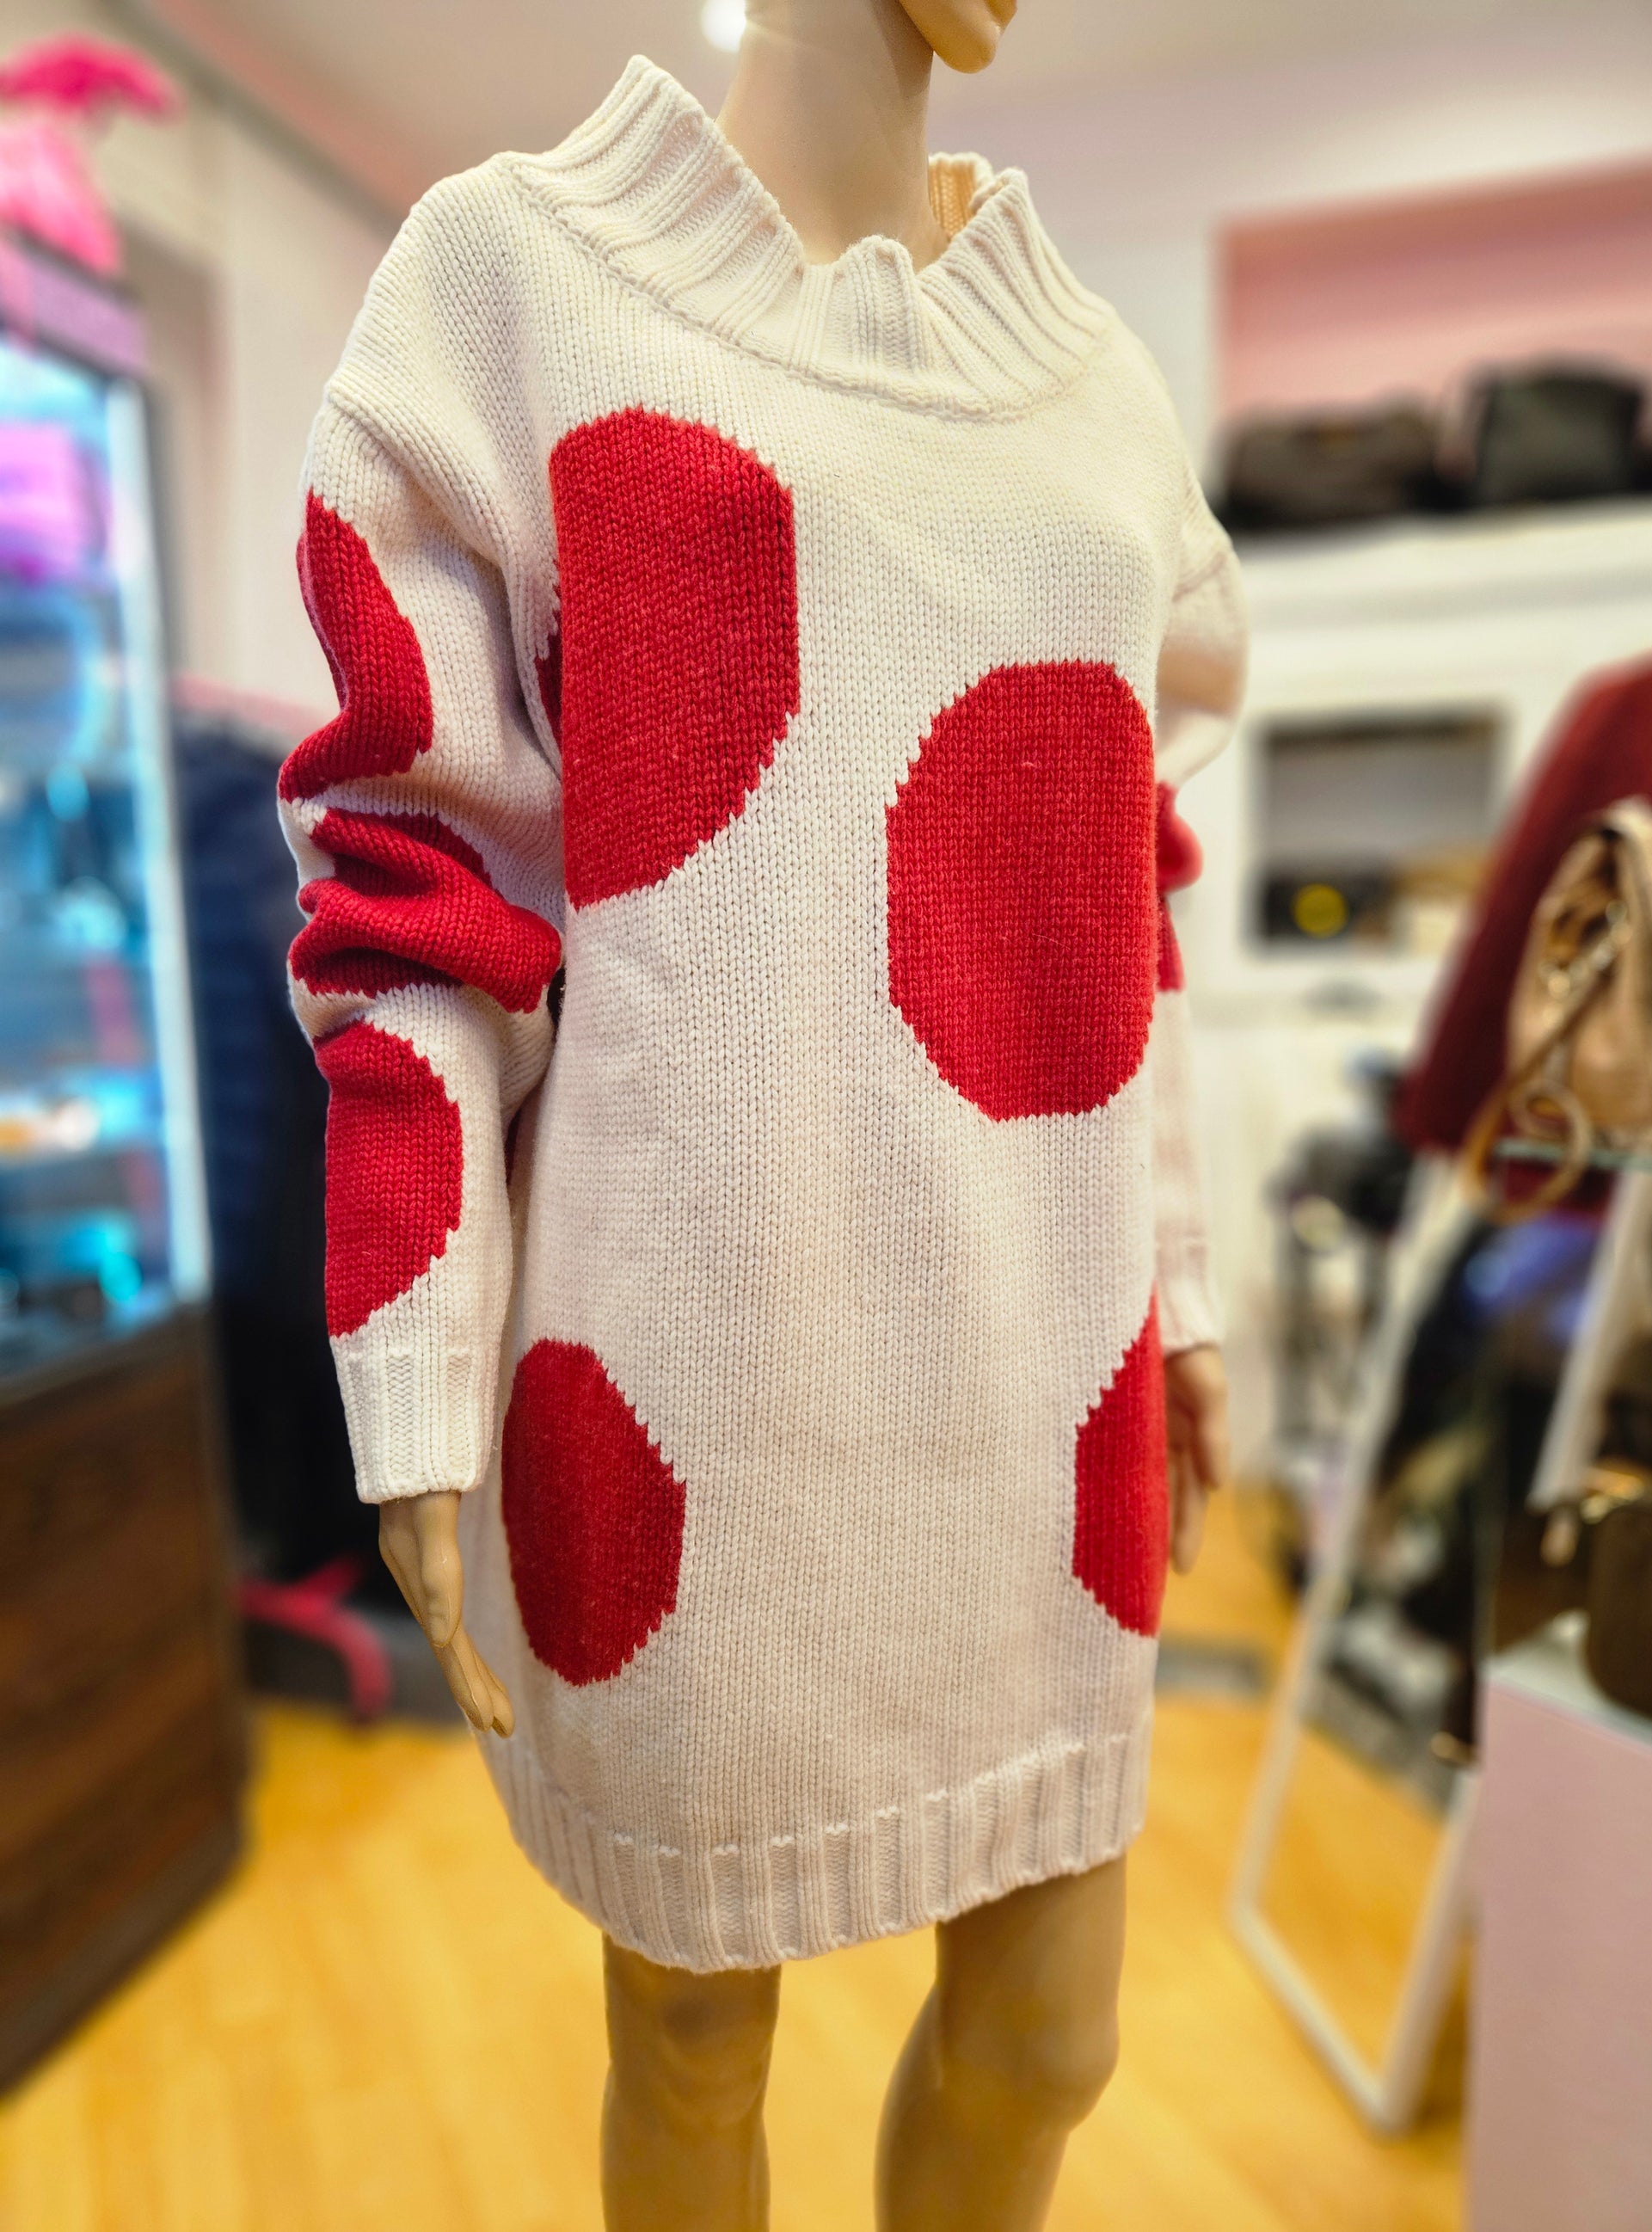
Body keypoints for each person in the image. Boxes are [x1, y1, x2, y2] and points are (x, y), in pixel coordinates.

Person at [279, 2, 1247, 2223]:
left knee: (1052, 2037)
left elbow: (1129, 886)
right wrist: (413, 1362)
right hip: (694, 1374)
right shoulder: (517, 282)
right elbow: (412, 885)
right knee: (695, 2034)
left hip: (1042, 1376)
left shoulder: (1094, 386)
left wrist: (1180, 1285)